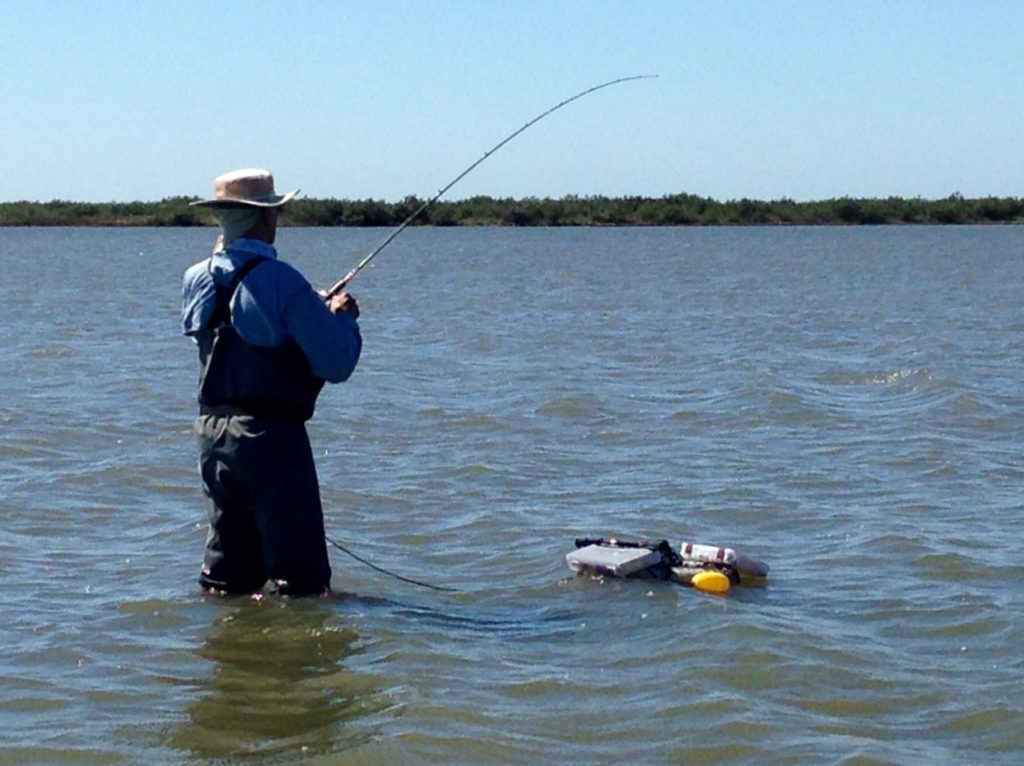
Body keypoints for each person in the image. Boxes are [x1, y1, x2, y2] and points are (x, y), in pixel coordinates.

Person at [181, 168, 362, 597]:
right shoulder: (284, 281)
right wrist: (342, 318)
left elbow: (238, 317)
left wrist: (308, 307)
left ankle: (227, 650)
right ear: (264, 218)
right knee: (301, 581)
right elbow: (336, 363)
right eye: (274, 213)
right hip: (270, 438)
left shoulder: (195, 278)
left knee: (227, 577)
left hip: (211, 435)